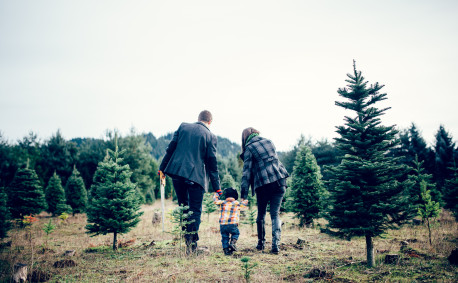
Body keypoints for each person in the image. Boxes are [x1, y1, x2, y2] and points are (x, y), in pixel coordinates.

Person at [159, 110, 221, 254]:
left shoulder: (183, 127)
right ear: (210, 122)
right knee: (195, 210)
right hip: (196, 177)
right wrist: (217, 188)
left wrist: (161, 169)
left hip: (177, 173)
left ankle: (188, 240)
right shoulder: (210, 136)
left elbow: (170, 149)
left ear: (198, 119)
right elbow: (212, 165)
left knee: (183, 207)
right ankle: (192, 245)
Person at [240, 127, 289, 254]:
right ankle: (275, 245)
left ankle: (261, 243)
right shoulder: (269, 141)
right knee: (275, 213)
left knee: (261, 214)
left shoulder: (249, 148)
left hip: (263, 184)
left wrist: (243, 195)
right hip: (280, 180)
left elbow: (246, 173)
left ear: (245, 138)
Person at [213, 187, 248, 255]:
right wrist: (244, 197)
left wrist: (217, 193)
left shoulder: (222, 202)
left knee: (224, 237)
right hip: (233, 223)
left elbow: (215, 200)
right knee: (236, 233)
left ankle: (226, 250)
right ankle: (232, 243)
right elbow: (244, 204)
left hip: (223, 224)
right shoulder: (236, 203)